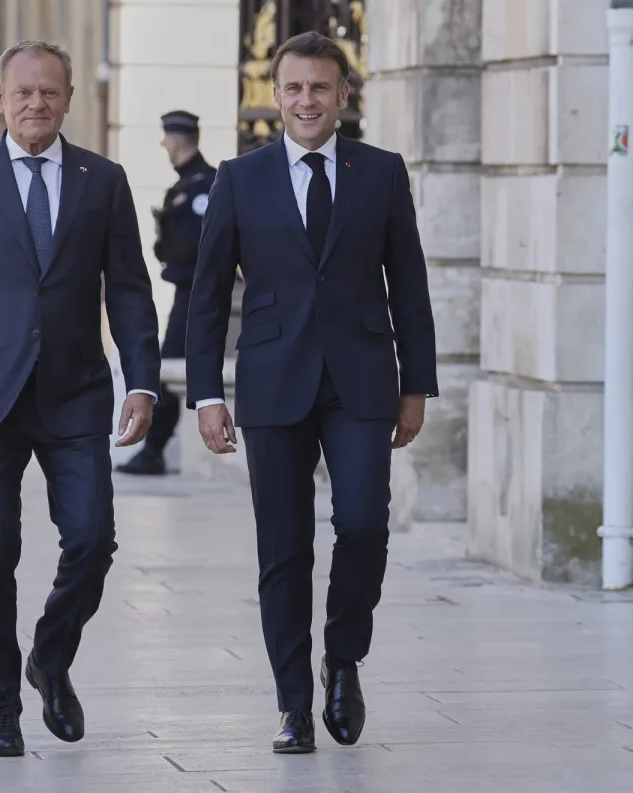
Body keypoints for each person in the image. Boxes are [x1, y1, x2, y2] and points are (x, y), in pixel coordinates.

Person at [0, 40, 161, 758]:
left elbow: (130, 289)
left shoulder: (103, 180)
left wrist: (141, 380)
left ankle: (49, 654)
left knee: (93, 539)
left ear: (68, 98)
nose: (36, 104)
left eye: (49, 91)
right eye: (23, 92)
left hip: (76, 392)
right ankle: (1, 712)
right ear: (1, 96)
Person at [185, 31, 438, 754]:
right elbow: (208, 294)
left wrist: (417, 384)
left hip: (362, 379)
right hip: (273, 381)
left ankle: (343, 658)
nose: (306, 101)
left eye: (320, 88)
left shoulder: (381, 172)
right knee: (283, 547)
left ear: (343, 96)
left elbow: (409, 284)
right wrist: (206, 393)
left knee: (362, 524)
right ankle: (293, 703)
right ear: (275, 95)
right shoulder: (240, 178)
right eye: (293, 88)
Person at [116, 110, 216, 476]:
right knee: (172, 364)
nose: (163, 144)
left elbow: (196, 243)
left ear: (176, 140)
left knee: (170, 365)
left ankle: (153, 449)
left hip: (198, 293)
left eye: (166, 138)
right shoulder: (186, 183)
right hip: (186, 290)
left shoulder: (203, 185)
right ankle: (153, 448)